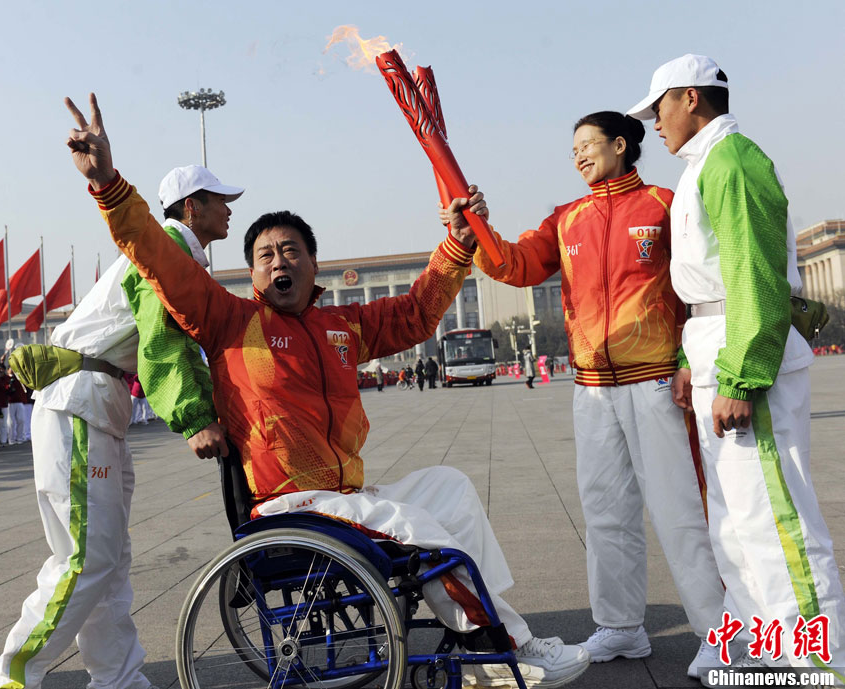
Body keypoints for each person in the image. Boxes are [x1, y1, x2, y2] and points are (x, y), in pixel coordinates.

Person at [67, 92, 590, 688]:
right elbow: (159, 257)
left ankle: (471, 636)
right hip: (292, 505)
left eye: (291, 250)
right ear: (253, 274)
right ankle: (507, 649)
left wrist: (457, 244)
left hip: (344, 497)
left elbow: (416, 315)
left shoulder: (341, 326)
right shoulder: (230, 321)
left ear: (314, 264)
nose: (277, 261)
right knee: (415, 529)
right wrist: (108, 183)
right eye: (264, 255)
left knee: (451, 490)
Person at [466, 110, 725, 676]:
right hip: (592, 388)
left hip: (655, 380)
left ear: (622, 144)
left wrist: (687, 360)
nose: (579, 155)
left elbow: (701, 285)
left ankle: (718, 632)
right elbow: (513, 264)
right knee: (606, 511)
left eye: (588, 145)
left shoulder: (665, 203)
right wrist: (475, 225)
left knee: (680, 509)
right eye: (573, 149)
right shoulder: (567, 218)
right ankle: (621, 626)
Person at [0, 162, 235, 689]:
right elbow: (163, 337)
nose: (229, 208)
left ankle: (119, 679)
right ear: (192, 208)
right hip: (80, 403)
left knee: (108, 560)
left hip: (98, 406)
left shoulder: (174, 251)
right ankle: (8, 679)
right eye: (219, 199)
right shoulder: (169, 248)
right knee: (86, 558)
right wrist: (195, 418)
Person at [628, 54, 845, 675]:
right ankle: (755, 649)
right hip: (713, 339)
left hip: (746, 353)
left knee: (776, 515)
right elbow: (708, 284)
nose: (655, 125)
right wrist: (689, 362)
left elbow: (752, 276)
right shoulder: (705, 166)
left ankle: (814, 664)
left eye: (659, 109)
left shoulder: (733, 161)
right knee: (733, 519)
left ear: (690, 98)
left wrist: (741, 378)